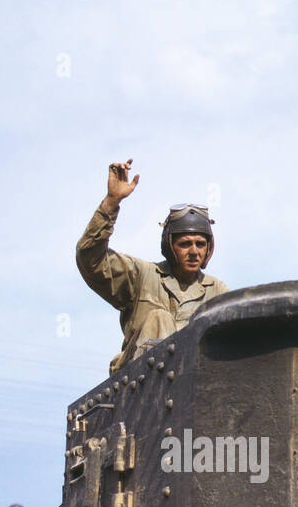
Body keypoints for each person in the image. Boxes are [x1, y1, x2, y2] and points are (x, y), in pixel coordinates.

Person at [76, 158, 229, 371]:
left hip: (195, 384)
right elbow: (90, 259)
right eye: (185, 244)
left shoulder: (217, 291)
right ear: (169, 246)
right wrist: (111, 203)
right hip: (141, 384)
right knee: (159, 318)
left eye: (200, 244)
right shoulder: (142, 276)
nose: (194, 251)